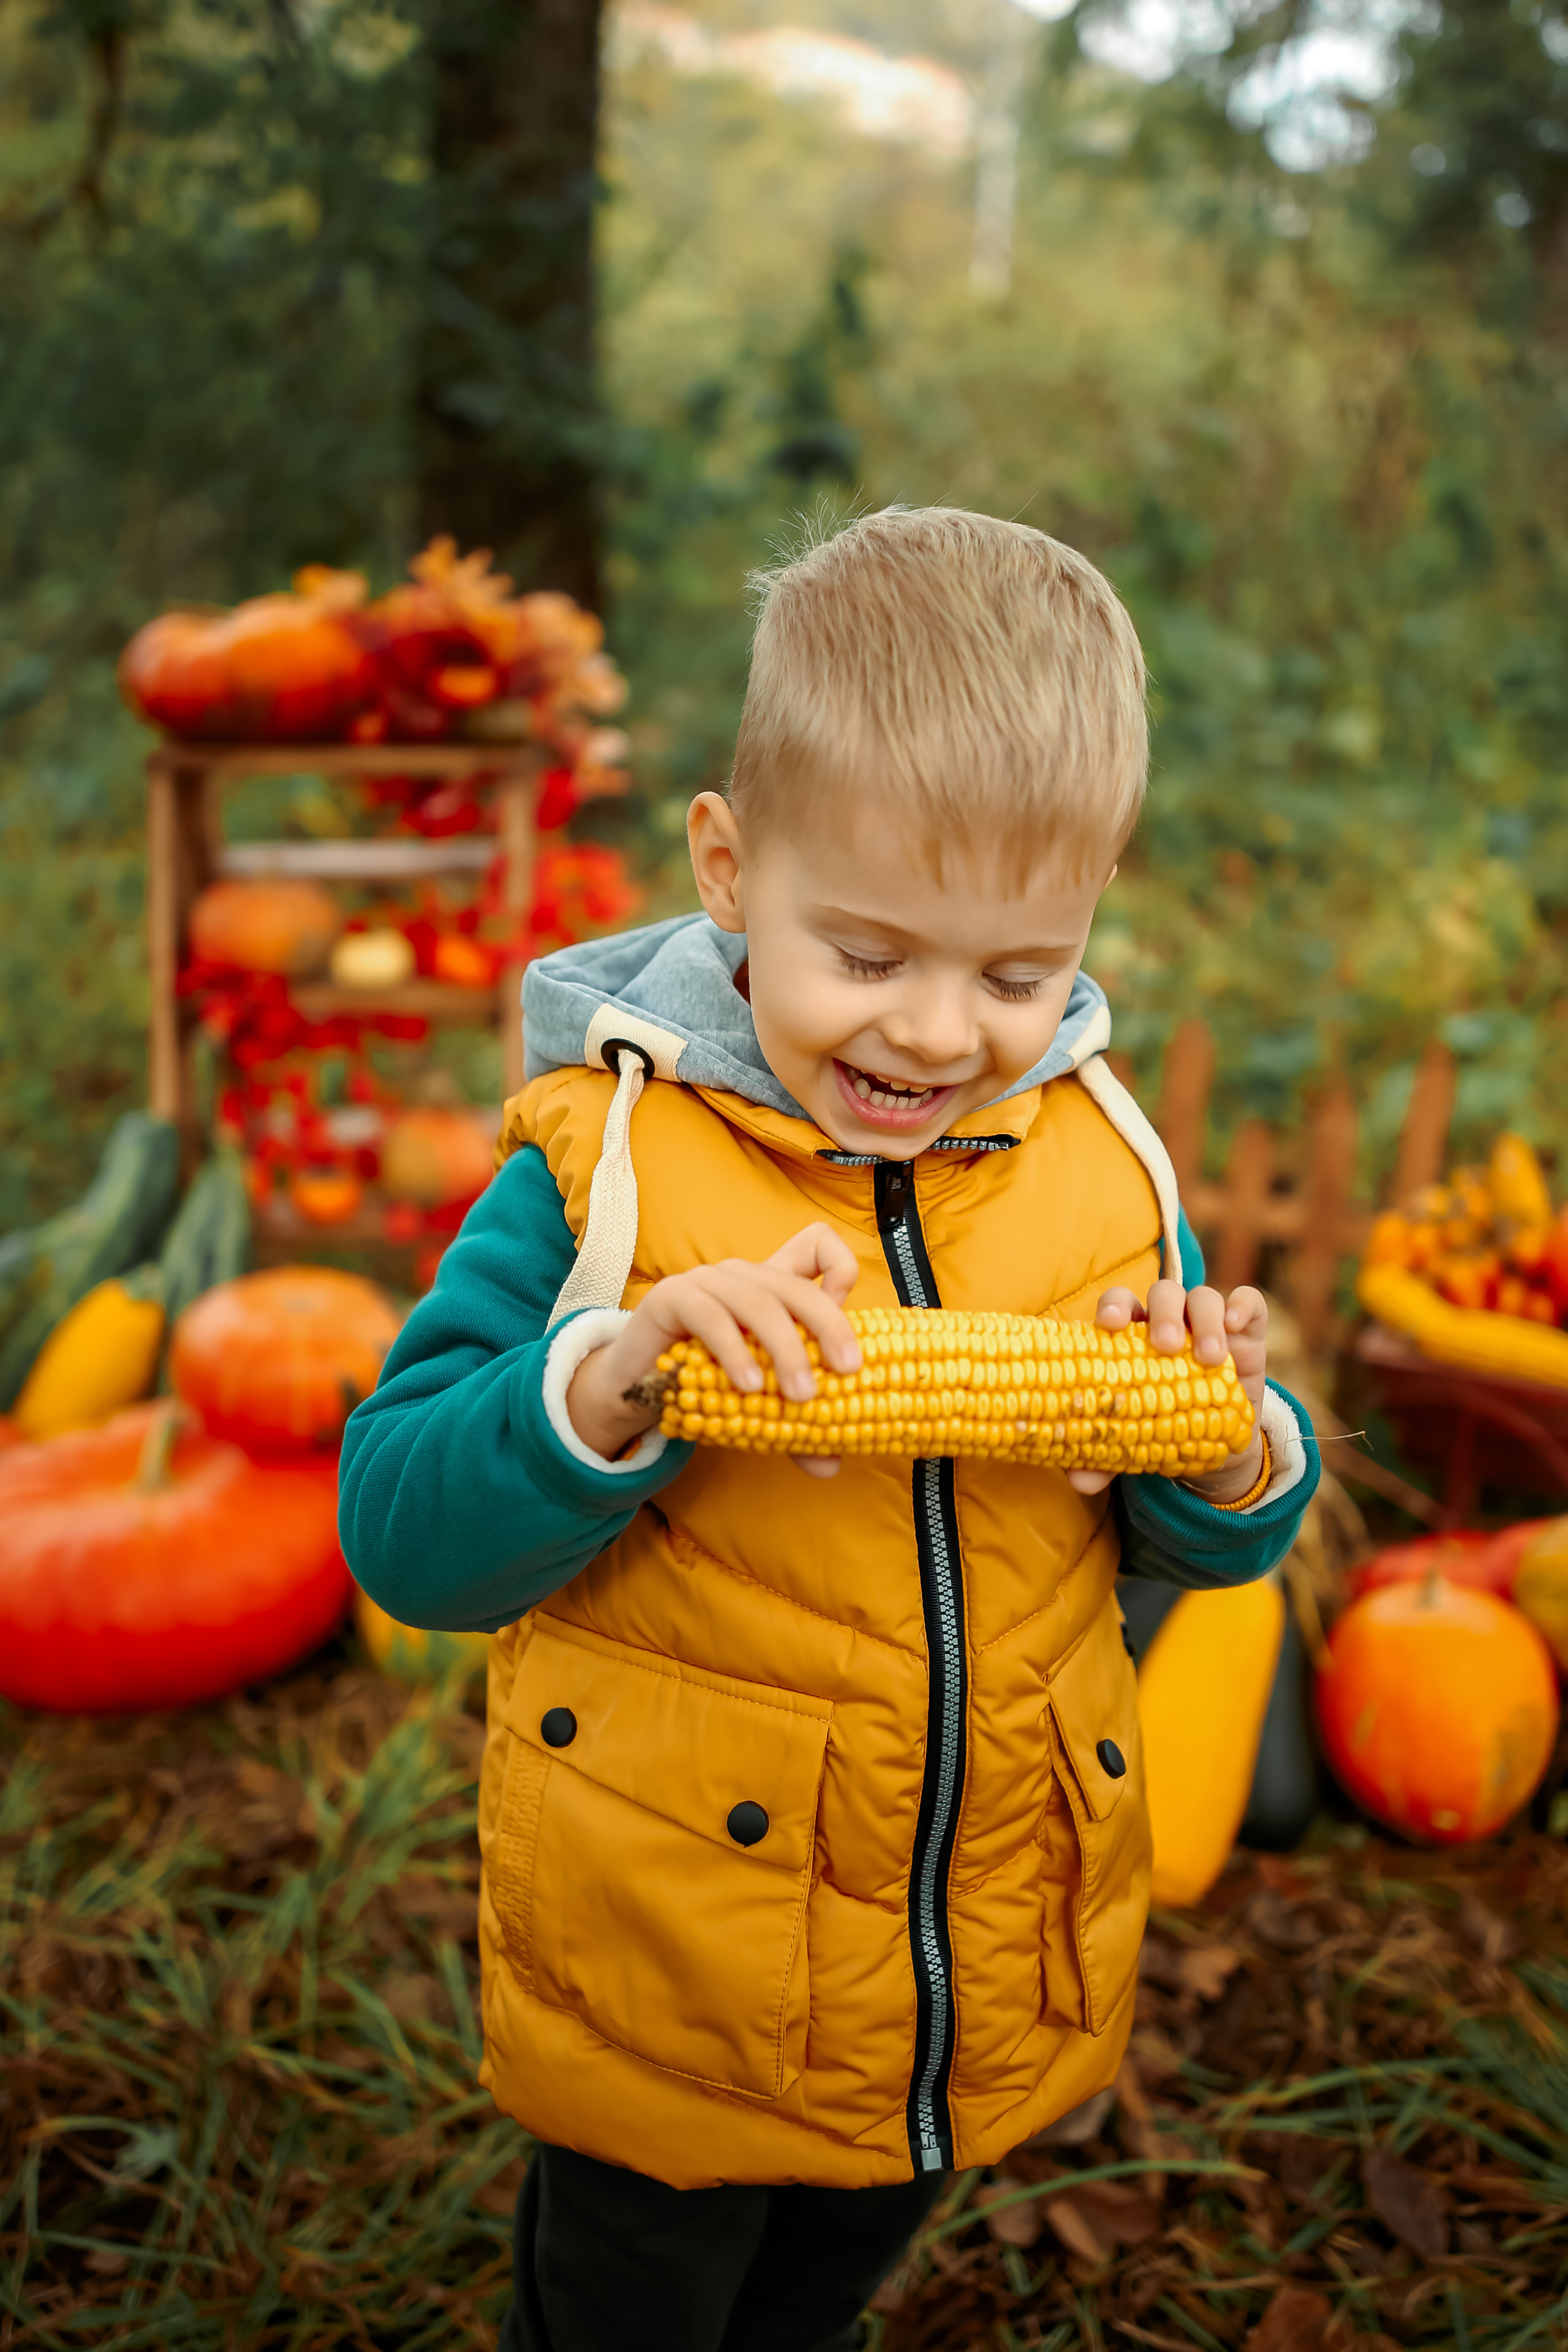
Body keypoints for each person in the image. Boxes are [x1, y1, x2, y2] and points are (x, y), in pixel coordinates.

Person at [339, 507, 1320, 2352]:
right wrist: (607, 1381)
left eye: (1018, 976)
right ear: (729, 866)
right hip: (675, 1971)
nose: (941, 1032)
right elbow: (400, 1531)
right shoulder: (610, 1170)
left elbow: (1196, 1544)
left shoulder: (1108, 1171)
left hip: (962, 1969)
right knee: (634, 2312)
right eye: (869, 958)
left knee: (820, 2295)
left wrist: (1226, 1443)